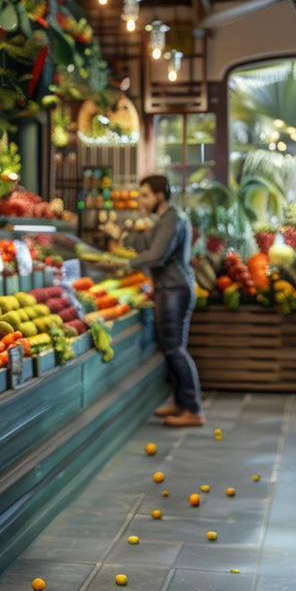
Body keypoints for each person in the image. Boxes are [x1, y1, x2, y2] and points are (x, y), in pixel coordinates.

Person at [128, 175, 203, 427]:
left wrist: (126, 263)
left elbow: (157, 255)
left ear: (161, 195)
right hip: (168, 288)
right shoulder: (163, 220)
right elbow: (144, 245)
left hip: (173, 289)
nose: (142, 200)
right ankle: (180, 402)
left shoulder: (172, 219)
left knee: (175, 349)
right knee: (171, 348)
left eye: (146, 195)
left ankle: (193, 409)